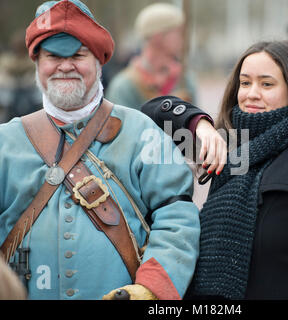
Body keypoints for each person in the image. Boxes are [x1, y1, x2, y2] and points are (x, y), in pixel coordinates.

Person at [0, 0, 200, 300]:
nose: (65, 65)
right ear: (37, 63)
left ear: (99, 61)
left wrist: (151, 288)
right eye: (53, 56)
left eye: (78, 55)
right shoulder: (5, 141)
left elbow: (176, 217)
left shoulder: (143, 132)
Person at [142, 39, 288, 299]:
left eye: (266, 84)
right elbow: (150, 113)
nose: (252, 93)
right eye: (245, 83)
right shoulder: (232, 154)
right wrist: (199, 124)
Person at [106, 2, 197, 110]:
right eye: (179, 32)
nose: (183, 39)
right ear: (158, 37)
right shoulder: (124, 87)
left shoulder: (185, 80)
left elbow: (196, 125)